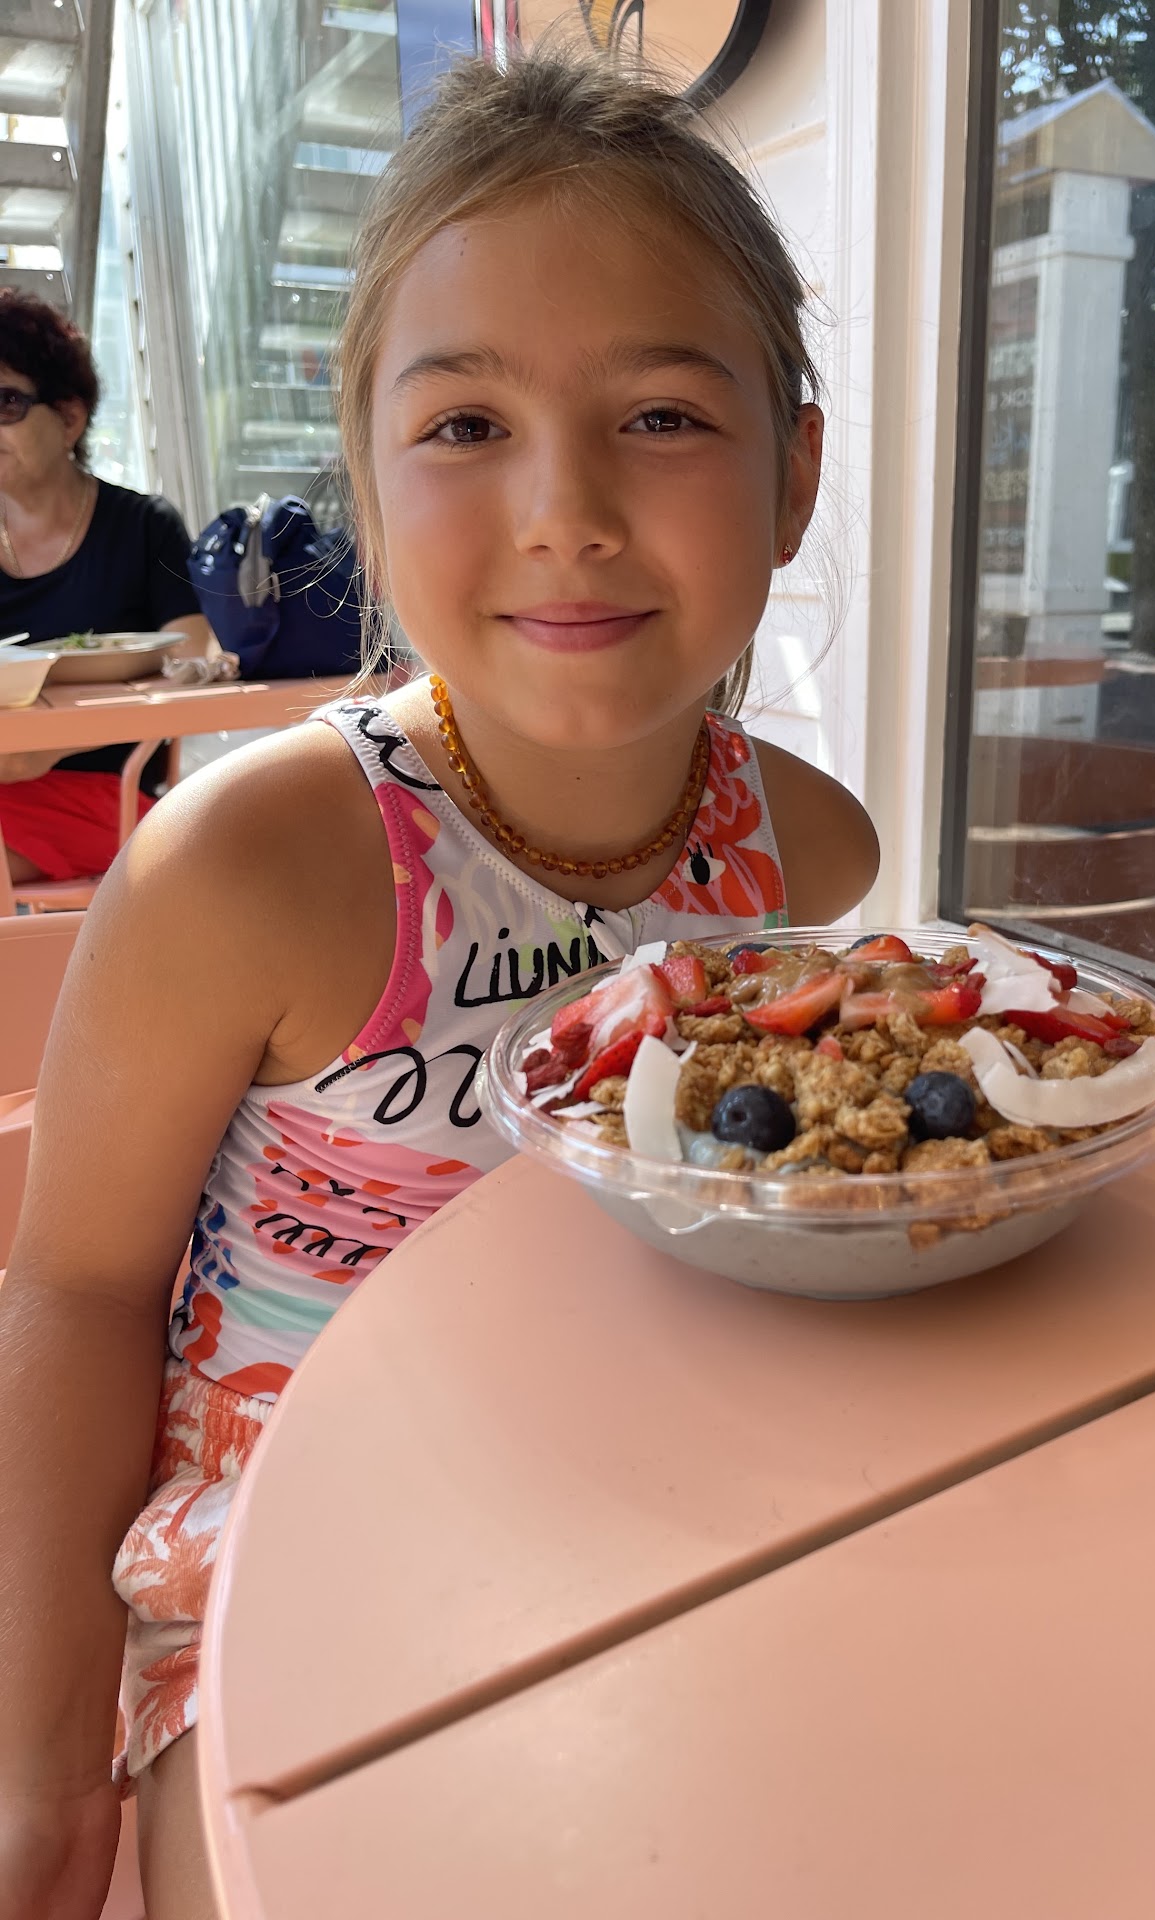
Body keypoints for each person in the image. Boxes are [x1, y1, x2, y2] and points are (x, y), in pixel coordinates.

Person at [0, 54, 879, 1920]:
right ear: (371, 482)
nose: (566, 508)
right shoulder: (248, 870)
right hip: (273, 1604)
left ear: (795, 475)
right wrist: (43, 1762)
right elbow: (77, 1291)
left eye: (661, 415)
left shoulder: (809, 858)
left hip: (658, 1551)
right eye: (469, 423)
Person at [0, 291, 210, 887]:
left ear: (70, 418)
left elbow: (191, 662)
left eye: (6, 402)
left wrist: (54, 741)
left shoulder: (144, 527)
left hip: (113, 796)